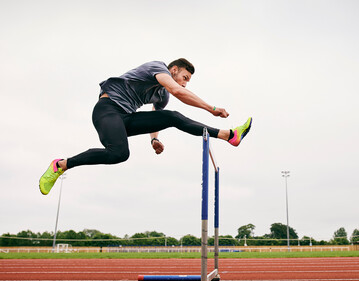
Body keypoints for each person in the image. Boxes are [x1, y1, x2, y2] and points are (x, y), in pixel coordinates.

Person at [39, 58, 252, 195]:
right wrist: (210, 108)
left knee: (173, 116)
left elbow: (157, 116)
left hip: (126, 118)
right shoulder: (157, 68)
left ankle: (228, 135)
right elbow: (178, 91)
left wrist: (154, 139)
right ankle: (61, 165)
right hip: (107, 110)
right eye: (184, 77)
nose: (185, 83)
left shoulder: (162, 95)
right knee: (119, 154)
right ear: (174, 70)